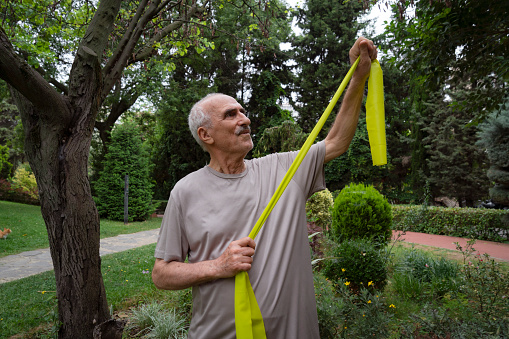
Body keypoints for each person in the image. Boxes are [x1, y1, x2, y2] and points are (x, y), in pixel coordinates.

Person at [152, 37, 378, 339]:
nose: (245, 119)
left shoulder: (284, 169)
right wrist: (218, 266)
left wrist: (359, 75)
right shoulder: (185, 191)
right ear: (206, 134)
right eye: (231, 115)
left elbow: (336, 141)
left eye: (242, 112)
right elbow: (162, 273)